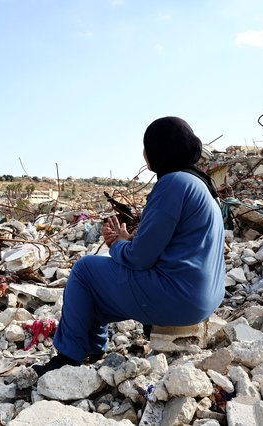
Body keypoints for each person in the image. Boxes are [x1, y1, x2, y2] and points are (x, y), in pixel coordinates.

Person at [32, 116, 225, 376]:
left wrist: (118, 245)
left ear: (157, 150)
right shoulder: (201, 184)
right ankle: (92, 346)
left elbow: (139, 259)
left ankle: (68, 358)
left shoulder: (173, 184)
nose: (144, 154)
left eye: (147, 148)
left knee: (85, 269)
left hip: (180, 299)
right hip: (205, 297)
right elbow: (171, 247)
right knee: (98, 288)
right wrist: (128, 242)